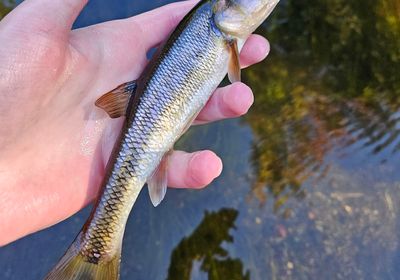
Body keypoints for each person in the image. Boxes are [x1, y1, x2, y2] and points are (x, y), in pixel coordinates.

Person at [0, 0, 269, 246]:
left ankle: (99, 242)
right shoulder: (217, 28)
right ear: (222, 6)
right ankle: (98, 244)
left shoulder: (220, 29)